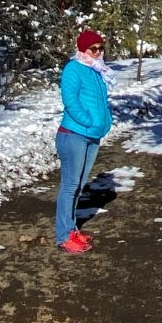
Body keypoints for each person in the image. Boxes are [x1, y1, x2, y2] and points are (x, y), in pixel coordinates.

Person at [54, 29, 114, 253]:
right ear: (82, 49)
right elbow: (70, 100)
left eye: (100, 48)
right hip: (73, 135)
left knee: (78, 187)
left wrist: (106, 122)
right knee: (69, 187)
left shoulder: (96, 71)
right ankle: (63, 236)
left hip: (92, 136)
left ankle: (71, 230)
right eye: (93, 49)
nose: (98, 53)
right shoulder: (74, 69)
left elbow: (101, 102)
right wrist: (87, 121)